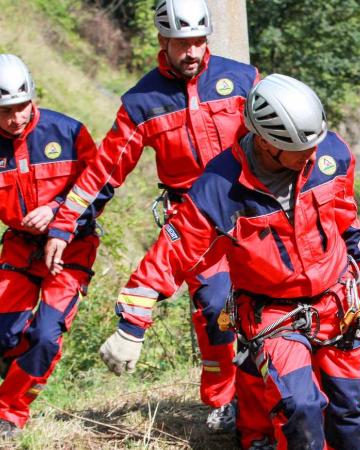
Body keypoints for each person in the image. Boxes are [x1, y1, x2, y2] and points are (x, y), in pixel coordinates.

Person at [94, 73, 360, 450]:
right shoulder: (221, 186)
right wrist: (132, 325)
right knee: (301, 409)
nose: (311, 155)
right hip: (275, 315)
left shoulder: (331, 153)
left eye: (315, 144)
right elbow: (173, 251)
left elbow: (345, 214)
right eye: (299, 150)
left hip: (336, 304)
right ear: (265, 141)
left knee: (351, 412)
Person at [44, 0, 258, 431]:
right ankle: (223, 401)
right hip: (192, 221)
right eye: (181, 44)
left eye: (198, 41)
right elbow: (105, 170)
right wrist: (64, 224)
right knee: (217, 308)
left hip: (252, 211)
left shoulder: (242, 79)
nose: (192, 52)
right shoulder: (142, 102)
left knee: (270, 301)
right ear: (162, 40)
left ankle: (277, 391)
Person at [0, 54, 109, 438]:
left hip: (72, 248)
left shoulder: (68, 132)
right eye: (5, 111)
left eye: (21, 107)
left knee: (46, 335)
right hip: (19, 248)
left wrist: (58, 210)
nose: (15, 118)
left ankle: (10, 413)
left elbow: (102, 185)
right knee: (6, 334)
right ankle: (17, 369)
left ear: (33, 98)